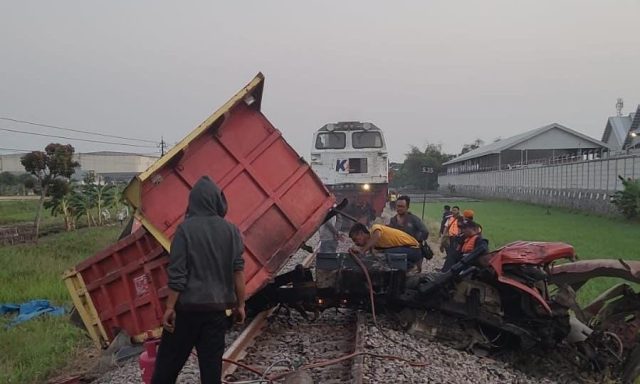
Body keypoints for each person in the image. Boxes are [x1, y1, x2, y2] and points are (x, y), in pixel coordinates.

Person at [152, 176, 245, 384]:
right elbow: (238, 272)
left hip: (186, 313)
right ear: (218, 201)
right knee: (211, 374)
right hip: (215, 315)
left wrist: (169, 308)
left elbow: (177, 274)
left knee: (165, 372)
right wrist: (241, 305)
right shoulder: (232, 231)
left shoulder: (185, 230)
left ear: (193, 202)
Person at [348, 222, 422, 269]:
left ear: (361, 233)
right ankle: (410, 269)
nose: (356, 243)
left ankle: (409, 269)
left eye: (355, 239)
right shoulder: (374, 244)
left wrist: (362, 250)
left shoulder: (375, 229)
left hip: (413, 250)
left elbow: (377, 235)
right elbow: (373, 254)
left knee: (385, 255)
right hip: (410, 252)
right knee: (380, 257)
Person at [389, 195, 429, 271]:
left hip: (412, 250)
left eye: (402, 206)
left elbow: (425, 231)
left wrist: (417, 240)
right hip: (397, 250)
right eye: (398, 206)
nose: (399, 208)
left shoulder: (413, 219)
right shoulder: (393, 220)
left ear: (407, 207)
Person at [441, 206, 461, 272]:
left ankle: (446, 269)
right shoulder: (449, 218)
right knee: (449, 254)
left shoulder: (461, 219)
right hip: (449, 238)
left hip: (457, 239)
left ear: (458, 211)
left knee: (451, 254)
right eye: (453, 210)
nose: (453, 211)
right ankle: (447, 269)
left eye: (455, 210)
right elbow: (446, 227)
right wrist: (443, 236)